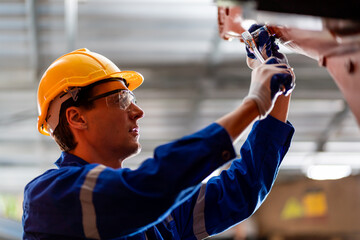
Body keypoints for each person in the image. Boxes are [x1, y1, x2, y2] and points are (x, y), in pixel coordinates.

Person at [22, 26, 295, 239]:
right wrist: (253, 104)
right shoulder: (50, 197)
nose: (138, 112)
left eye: (133, 99)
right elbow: (150, 189)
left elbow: (241, 191)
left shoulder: (156, 211)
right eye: (120, 100)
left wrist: (278, 91)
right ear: (76, 117)